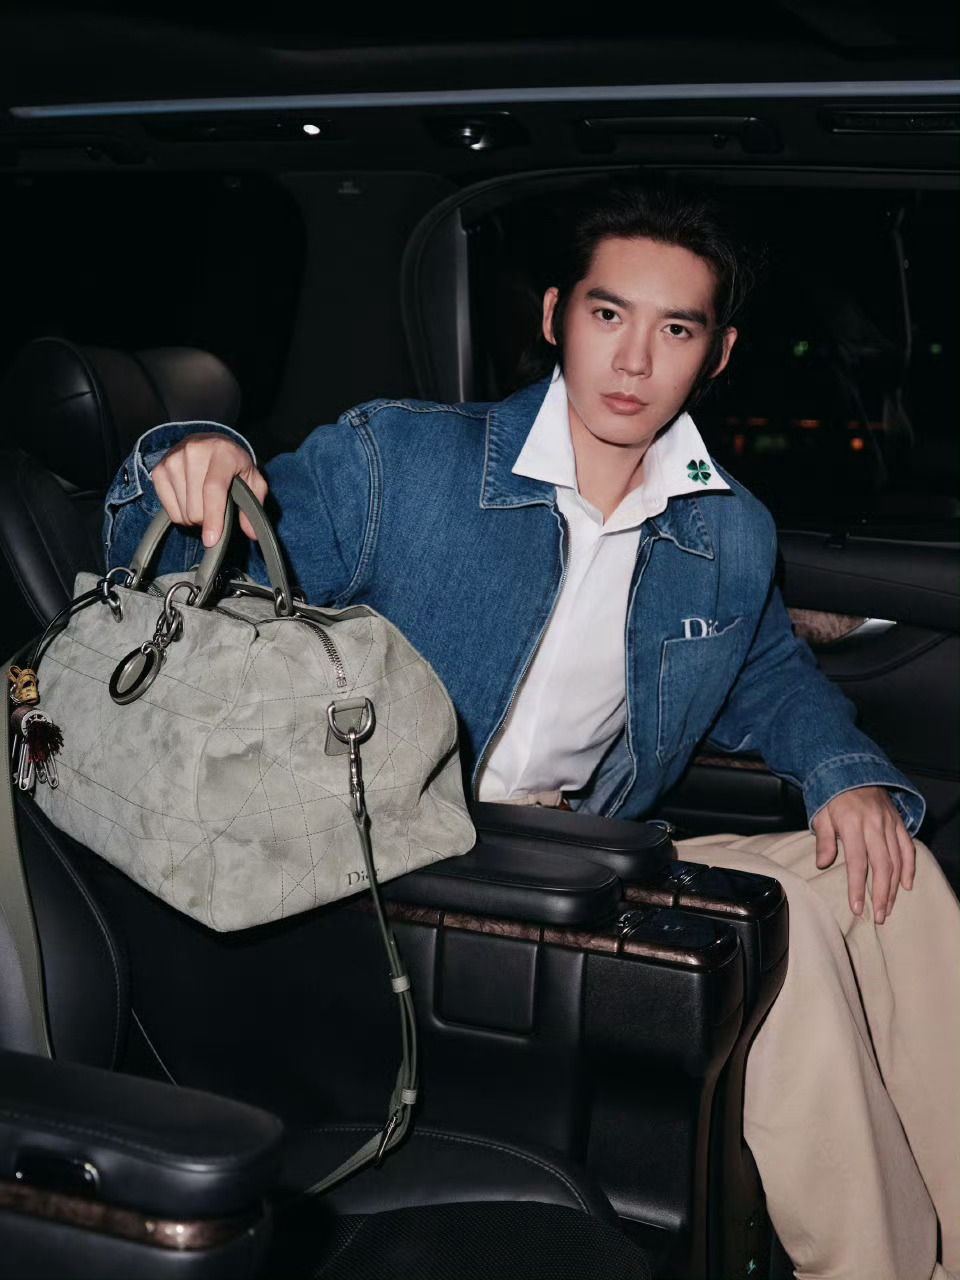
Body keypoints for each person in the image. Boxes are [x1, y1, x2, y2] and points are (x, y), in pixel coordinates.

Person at [104, 182, 959, 1280]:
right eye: (608, 315)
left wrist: (846, 775)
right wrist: (193, 453)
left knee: (896, 882)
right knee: (779, 922)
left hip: (570, 851)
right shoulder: (403, 463)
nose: (634, 360)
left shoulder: (725, 527)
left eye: (677, 329)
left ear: (719, 352)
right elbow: (182, 579)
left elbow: (768, 672)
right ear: (557, 315)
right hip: (397, 871)